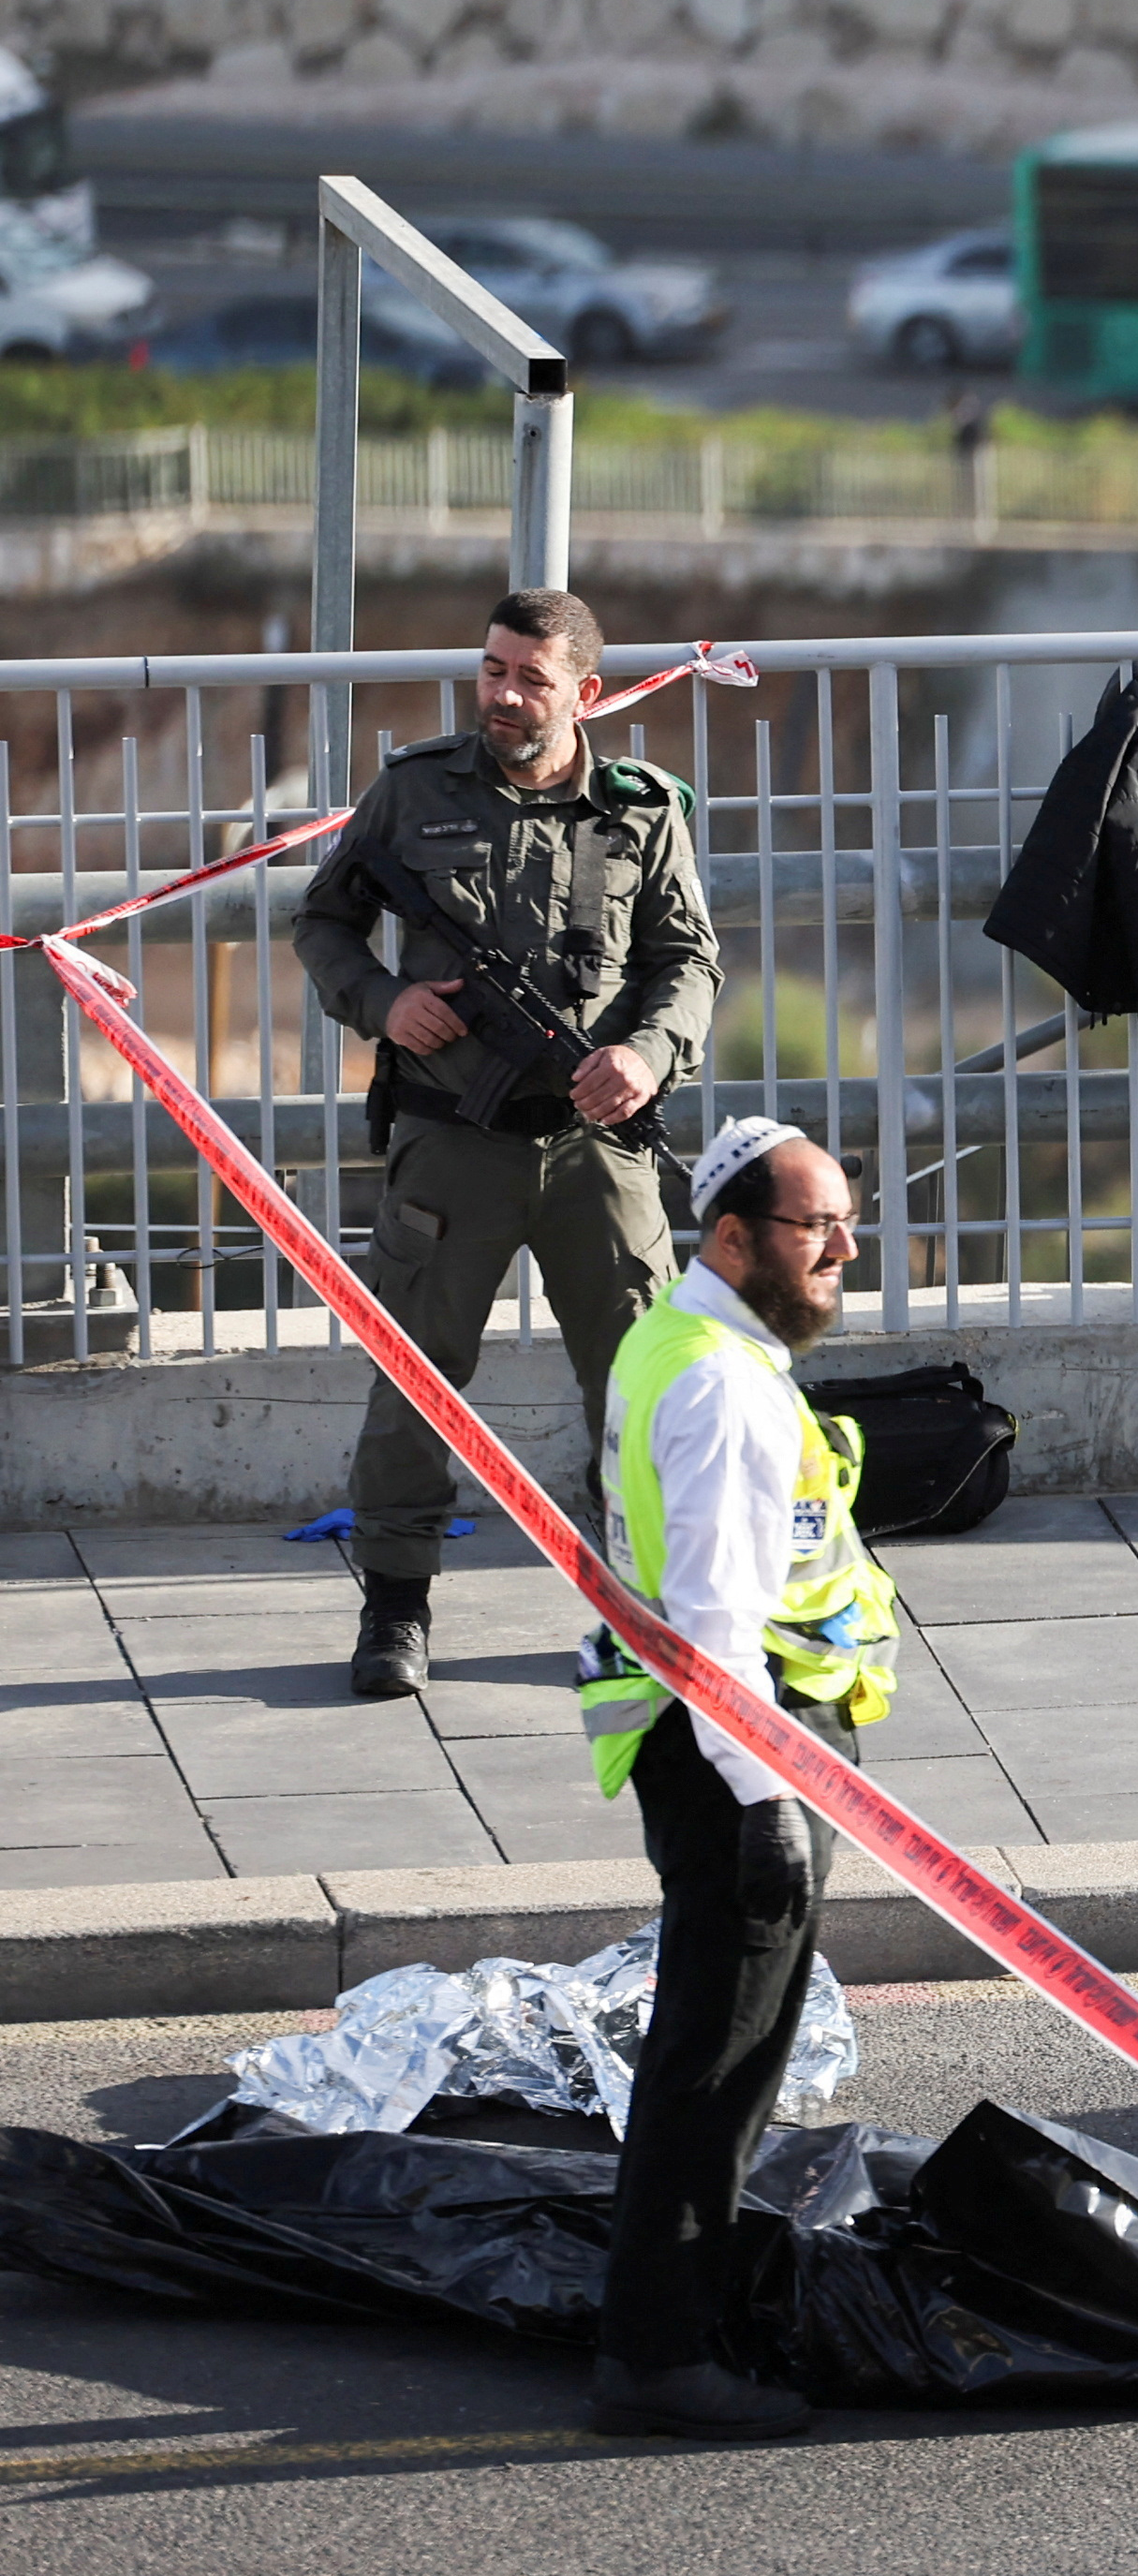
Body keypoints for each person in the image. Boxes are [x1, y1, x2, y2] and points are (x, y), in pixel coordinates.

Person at [293, 586, 719, 1703]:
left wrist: (649, 1055)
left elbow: (689, 959)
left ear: (582, 692)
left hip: (600, 1144)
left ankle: (649, 1609)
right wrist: (382, 1001)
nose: (502, 692)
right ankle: (395, 1604)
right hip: (451, 1144)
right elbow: (323, 917)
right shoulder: (413, 789)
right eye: (491, 669)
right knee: (417, 1384)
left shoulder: (643, 808)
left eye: (529, 676)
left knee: (639, 1386)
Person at [572, 1118, 898, 2442]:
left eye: (843, 1221)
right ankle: (660, 2352)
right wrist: (767, 1804)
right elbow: (712, 1625)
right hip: (732, 1762)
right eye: (816, 1226)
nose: (843, 1247)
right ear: (730, 1236)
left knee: (722, 2054)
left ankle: (678, 2318)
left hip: (725, 1749)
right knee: (717, 2064)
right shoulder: (719, 1386)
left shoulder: (689, 1343)